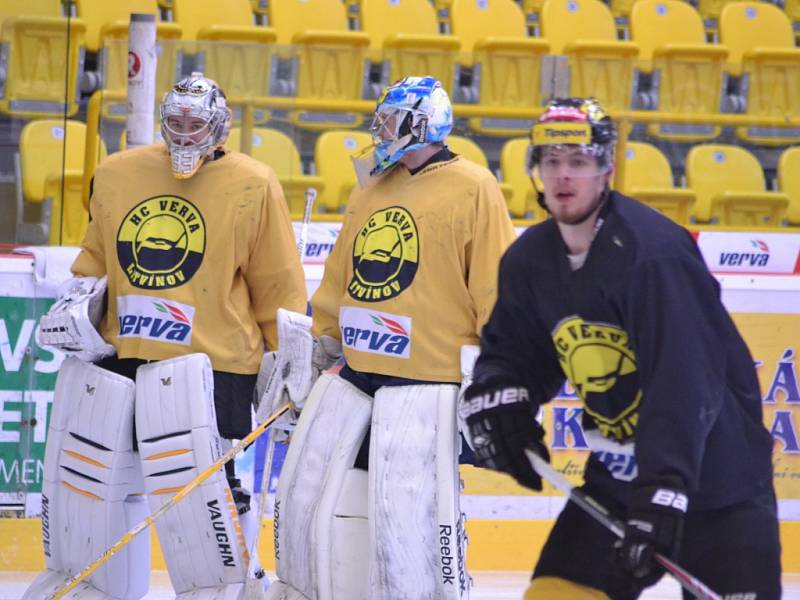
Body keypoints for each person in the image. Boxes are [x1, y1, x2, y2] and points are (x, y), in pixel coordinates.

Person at [461, 97, 782, 599]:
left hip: (719, 484)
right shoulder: (530, 259)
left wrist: (664, 488)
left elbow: (685, 381)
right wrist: (502, 396)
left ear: (607, 168)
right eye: (552, 162)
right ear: (534, 169)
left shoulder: (654, 255)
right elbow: (515, 351)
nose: (564, 176)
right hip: (617, 482)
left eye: (579, 162)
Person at [24, 73, 307, 599]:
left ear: (218, 127)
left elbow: (278, 284)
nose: (183, 133)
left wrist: (289, 363)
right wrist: (80, 301)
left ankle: (221, 589)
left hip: (215, 366)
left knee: (208, 500)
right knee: (98, 490)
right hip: (122, 358)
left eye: (195, 123)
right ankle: (99, 590)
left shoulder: (254, 182)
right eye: (174, 122)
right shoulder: (117, 172)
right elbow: (95, 257)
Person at [257, 76, 517, 600]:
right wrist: (314, 354)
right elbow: (339, 280)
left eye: (391, 122)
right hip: (355, 382)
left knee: (408, 531)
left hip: (426, 388)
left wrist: (499, 377)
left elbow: (496, 288)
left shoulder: (473, 187)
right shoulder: (371, 185)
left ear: (423, 124)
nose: (381, 132)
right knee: (324, 512)